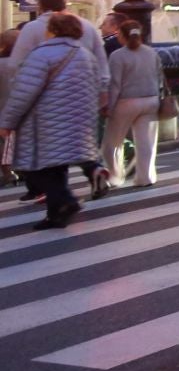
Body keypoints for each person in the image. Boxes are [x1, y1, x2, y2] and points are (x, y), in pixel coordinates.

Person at [0, 14, 100, 227]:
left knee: (37, 169)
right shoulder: (86, 56)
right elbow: (95, 88)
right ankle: (56, 214)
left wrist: (7, 121)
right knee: (56, 168)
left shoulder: (41, 54)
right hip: (77, 120)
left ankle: (66, 201)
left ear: (52, 30)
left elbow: (24, 92)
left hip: (46, 121)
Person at [104, 20, 166, 188]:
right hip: (151, 100)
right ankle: (145, 177)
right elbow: (159, 78)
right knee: (146, 141)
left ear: (121, 36)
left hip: (126, 102)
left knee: (113, 143)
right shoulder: (151, 53)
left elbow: (115, 84)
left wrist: (109, 106)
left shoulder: (118, 56)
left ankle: (115, 176)